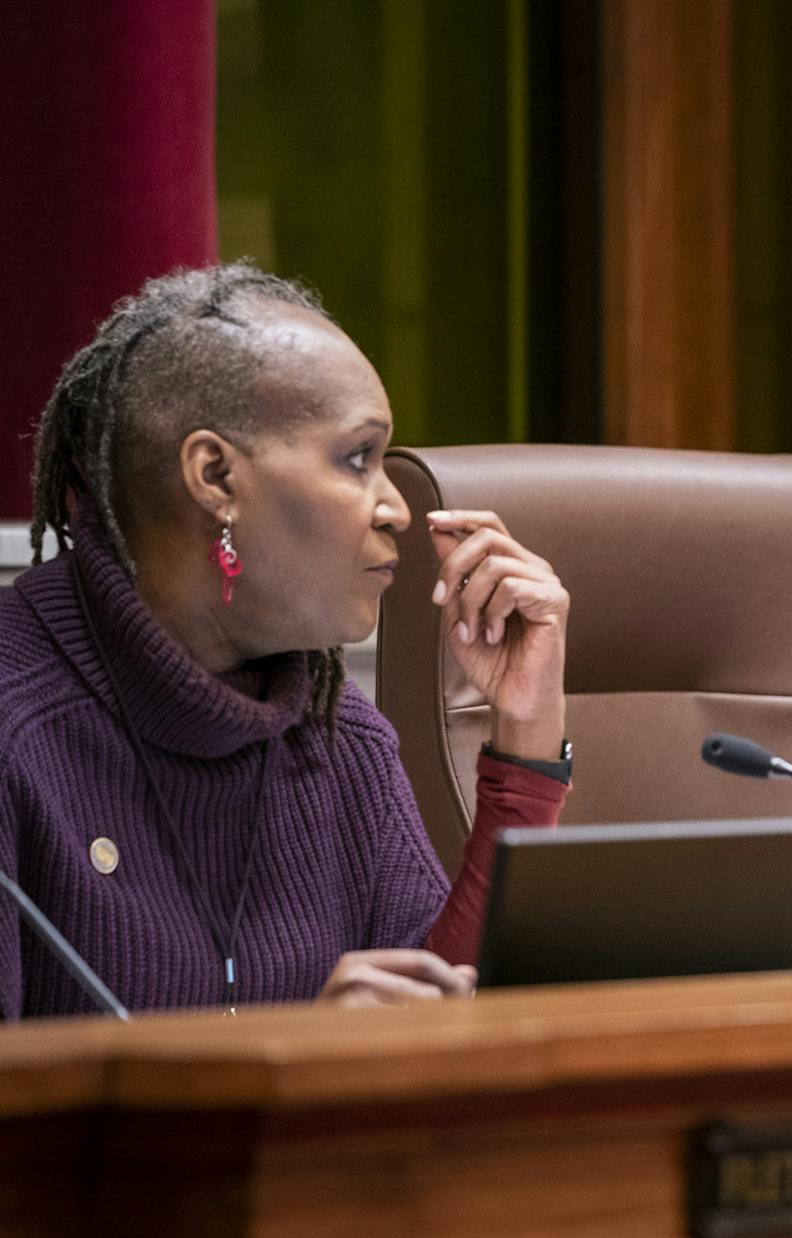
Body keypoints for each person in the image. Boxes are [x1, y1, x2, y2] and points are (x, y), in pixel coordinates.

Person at [0, 263, 571, 1020]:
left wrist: (526, 738)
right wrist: (288, 1065)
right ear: (215, 475)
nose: (396, 507)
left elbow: (448, 1031)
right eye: (358, 457)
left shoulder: (336, 734)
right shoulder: (18, 724)